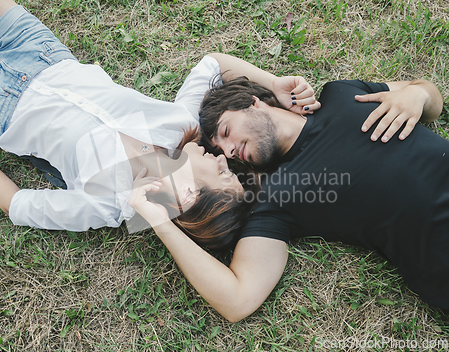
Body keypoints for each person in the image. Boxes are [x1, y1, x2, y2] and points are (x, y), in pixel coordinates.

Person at [0, 0, 319, 236]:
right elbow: (212, 65)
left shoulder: (108, 204)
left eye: (223, 173)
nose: (224, 158)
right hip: (42, 53)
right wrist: (273, 84)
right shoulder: (182, 126)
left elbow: (17, 205)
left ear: (188, 195)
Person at [130, 52, 448, 321]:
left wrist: (417, 93)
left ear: (251, 103)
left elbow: (433, 100)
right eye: (222, 150)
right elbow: (238, 300)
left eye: (226, 130)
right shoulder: (276, 199)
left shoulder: (341, 94)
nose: (228, 152)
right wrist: (158, 220)